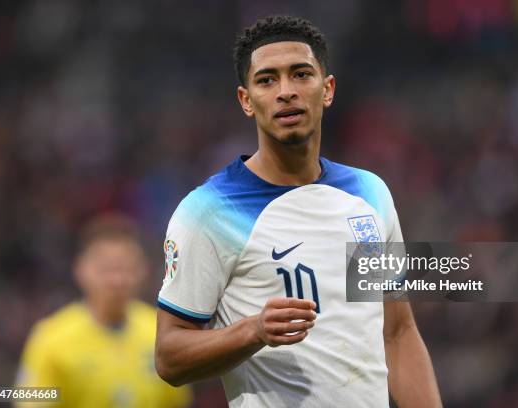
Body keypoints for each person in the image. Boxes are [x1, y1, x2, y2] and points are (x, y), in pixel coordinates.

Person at [155, 15, 441, 408]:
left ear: (328, 90)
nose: (285, 91)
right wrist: (252, 331)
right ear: (246, 100)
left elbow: (397, 333)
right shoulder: (209, 212)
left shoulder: (369, 194)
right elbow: (169, 357)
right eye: (267, 79)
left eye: (301, 74)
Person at [16, 214, 191, 408]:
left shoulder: (160, 333)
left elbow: (177, 402)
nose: (116, 280)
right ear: (80, 269)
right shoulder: (50, 338)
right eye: (106, 269)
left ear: (143, 271)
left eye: (126, 268)